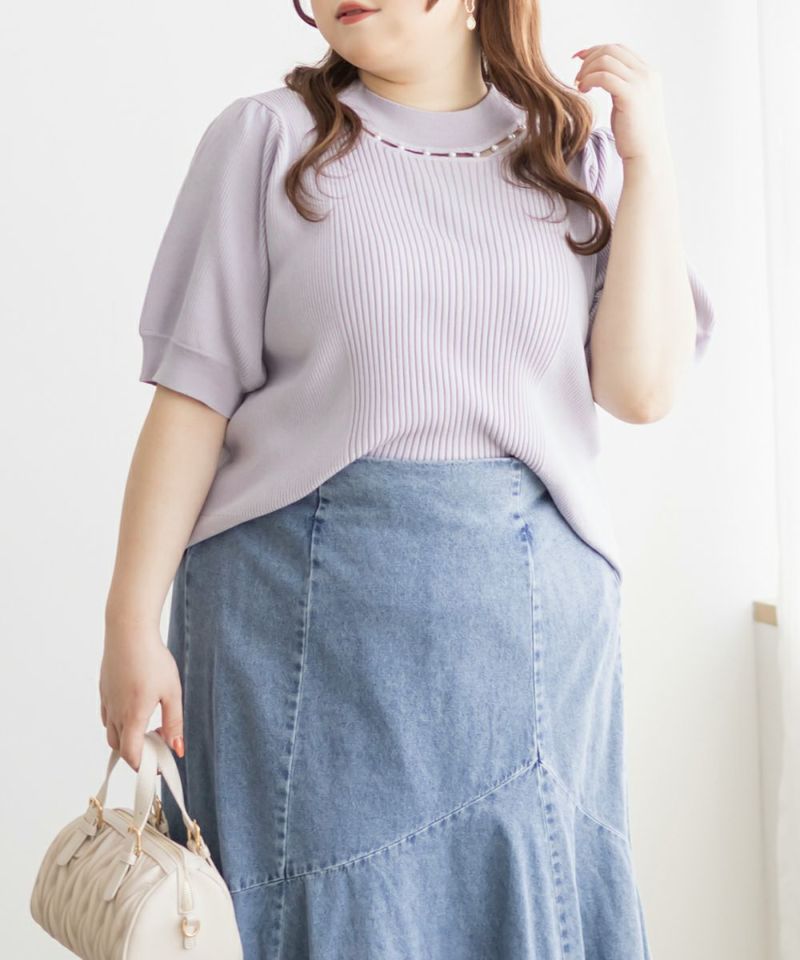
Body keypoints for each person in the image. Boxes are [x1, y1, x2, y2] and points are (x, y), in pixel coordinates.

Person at [100, 1, 715, 957]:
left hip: (527, 657)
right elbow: (192, 401)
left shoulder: (568, 153)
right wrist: (129, 625)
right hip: (300, 640)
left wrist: (649, 160)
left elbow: (640, 389)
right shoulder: (267, 139)